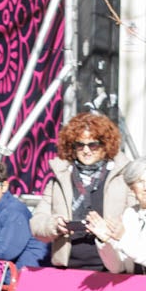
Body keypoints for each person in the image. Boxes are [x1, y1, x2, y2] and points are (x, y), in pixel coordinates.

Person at [31, 112, 132, 271]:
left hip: (111, 268)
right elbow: (36, 224)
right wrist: (54, 225)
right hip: (68, 268)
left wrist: (120, 229)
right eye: (80, 145)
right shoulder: (60, 178)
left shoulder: (123, 177)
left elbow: (138, 222)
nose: (86, 150)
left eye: (93, 144)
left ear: (105, 146)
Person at [91, 158, 146, 276]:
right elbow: (117, 267)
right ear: (131, 188)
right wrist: (105, 240)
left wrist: (122, 238)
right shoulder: (130, 214)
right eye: (139, 181)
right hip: (134, 282)